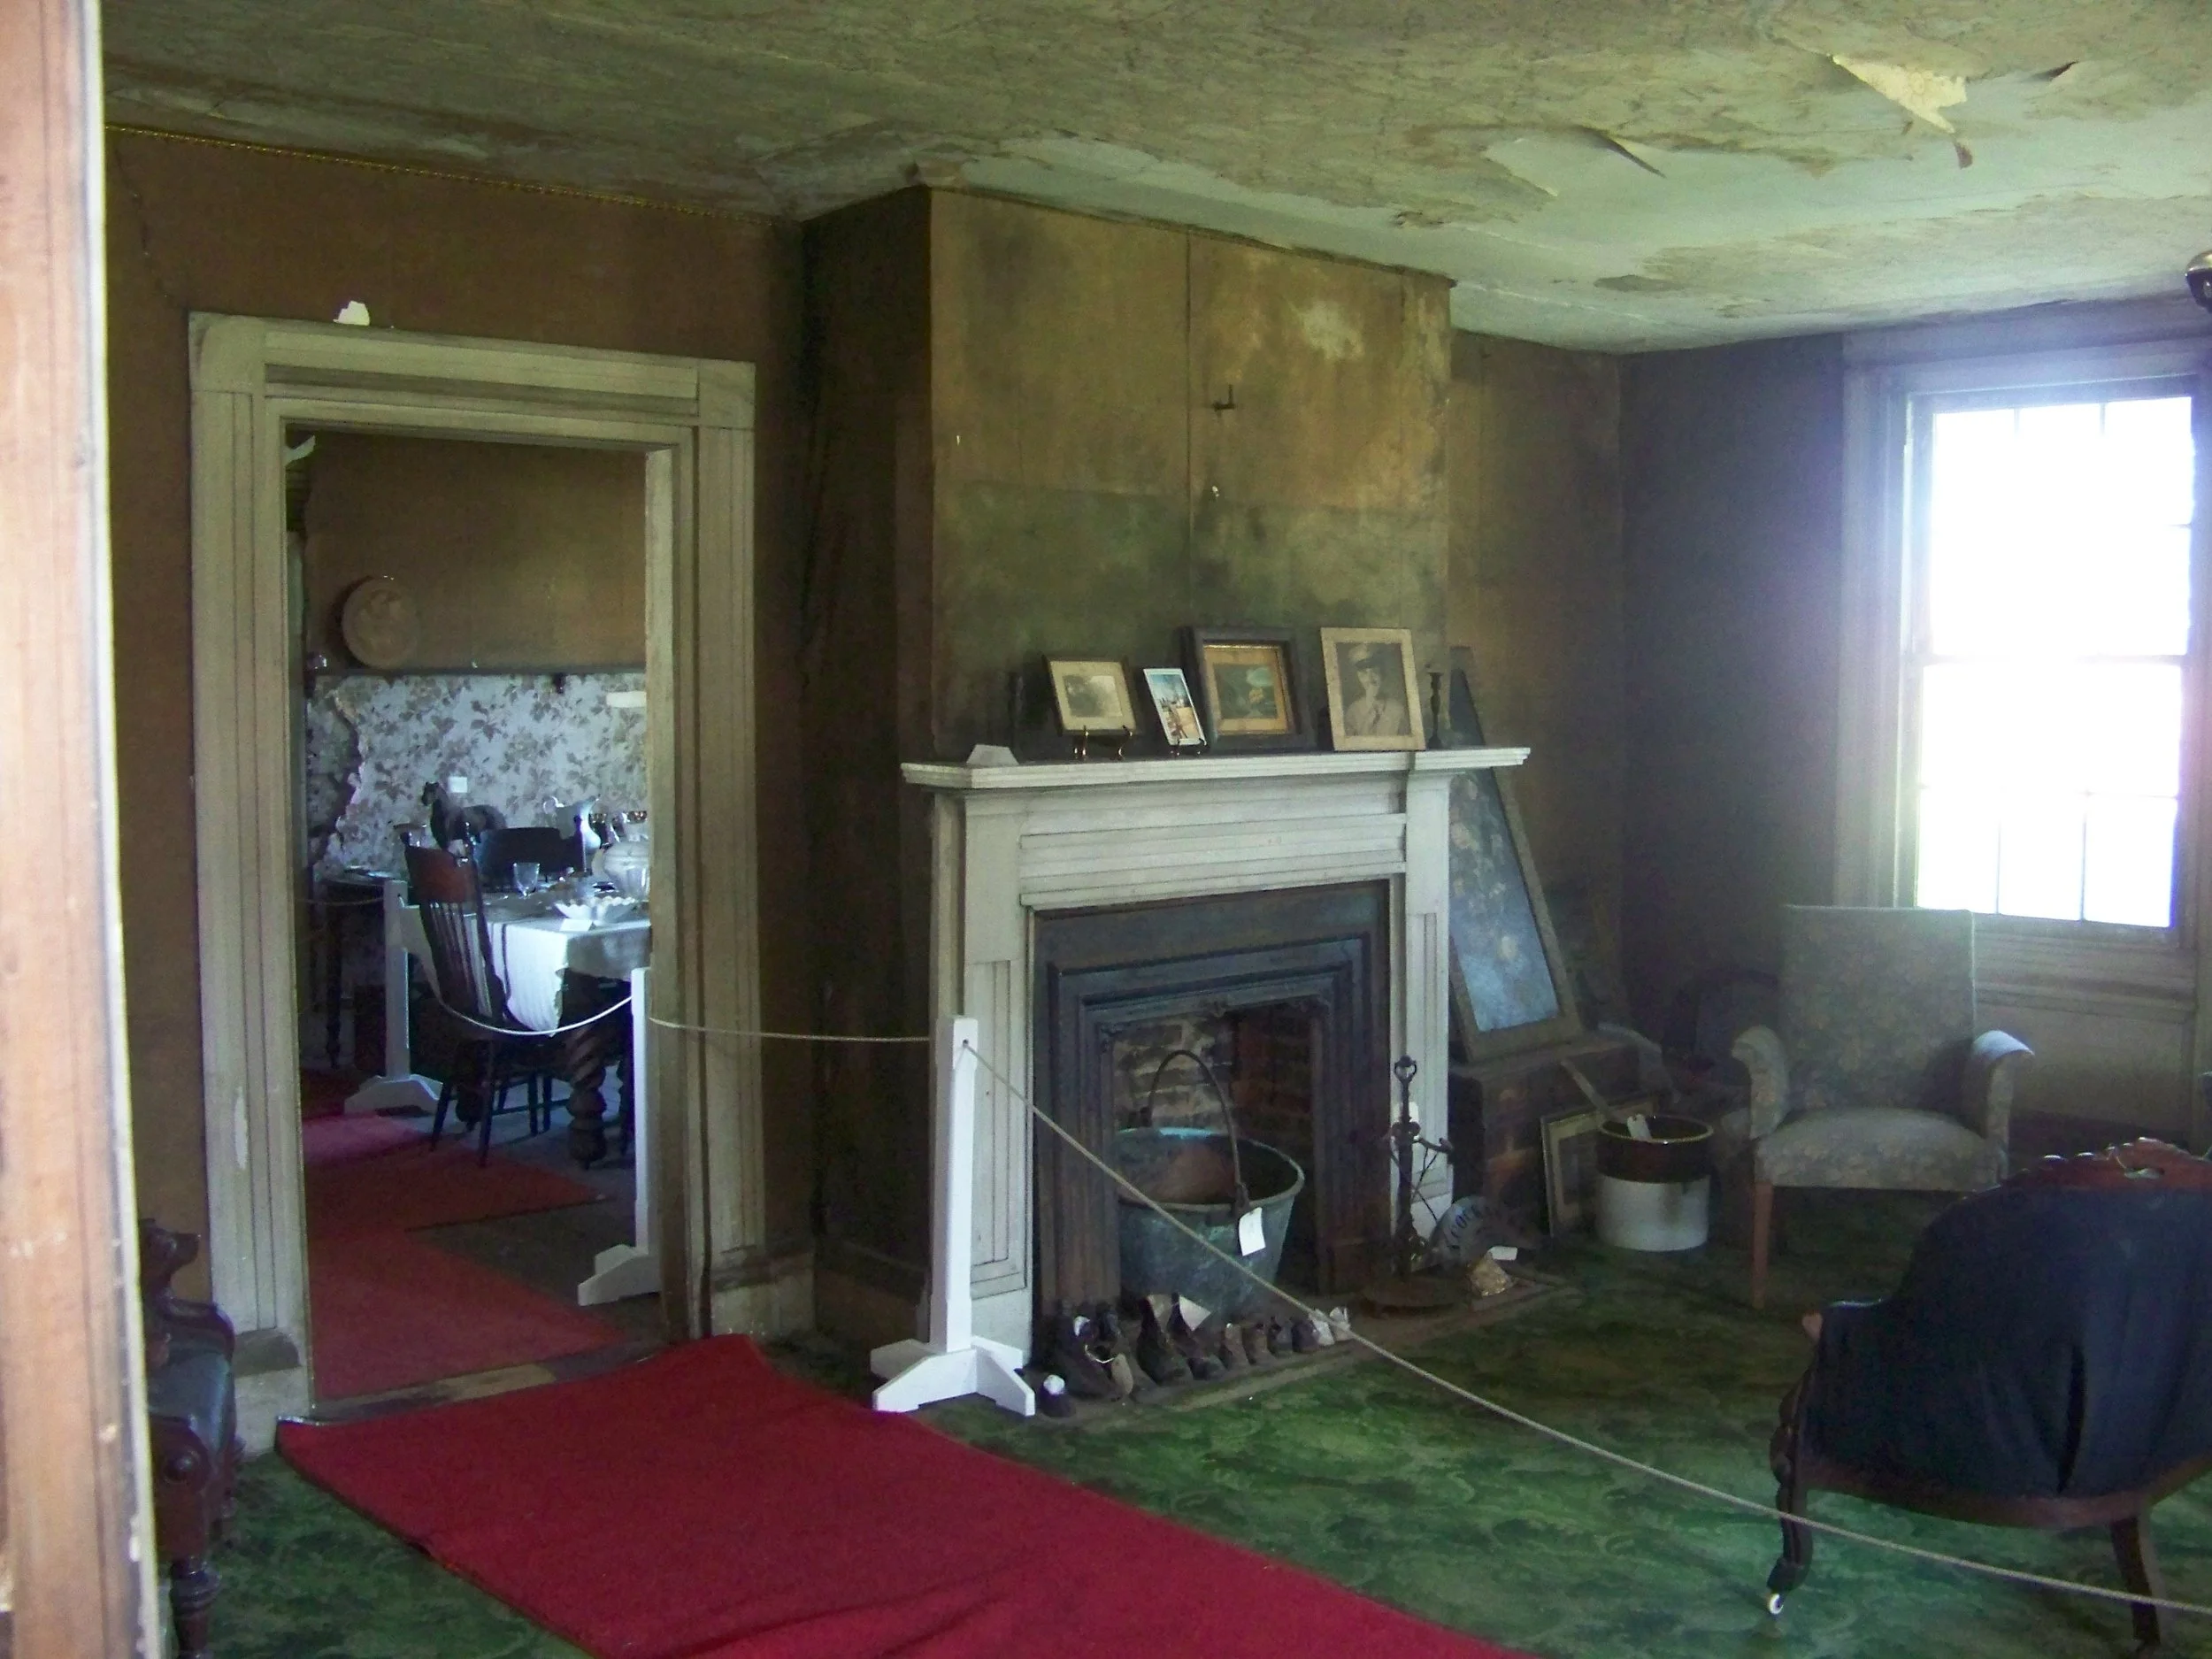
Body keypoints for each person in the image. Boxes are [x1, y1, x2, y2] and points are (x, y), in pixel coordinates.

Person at [1340, 647, 1407, 737]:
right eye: (1364, 674)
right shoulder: (1353, 712)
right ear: (1358, 678)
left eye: (1375, 672)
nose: (1370, 679)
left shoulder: (1397, 710)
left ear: (1382, 675)